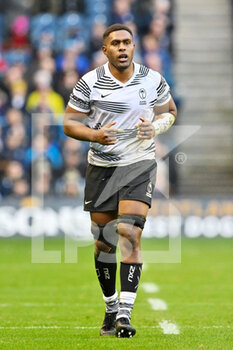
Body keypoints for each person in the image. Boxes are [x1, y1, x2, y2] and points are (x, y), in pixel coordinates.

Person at [63, 23, 177, 338]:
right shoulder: (90, 82)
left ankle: (124, 315)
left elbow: (169, 112)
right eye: (116, 43)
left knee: (128, 232)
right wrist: (95, 134)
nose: (123, 48)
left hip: (139, 164)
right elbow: (69, 124)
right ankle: (111, 306)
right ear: (106, 50)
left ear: (133, 46)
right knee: (103, 242)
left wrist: (154, 127)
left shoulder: (152, 79)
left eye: (127, 42)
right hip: (101, 166)